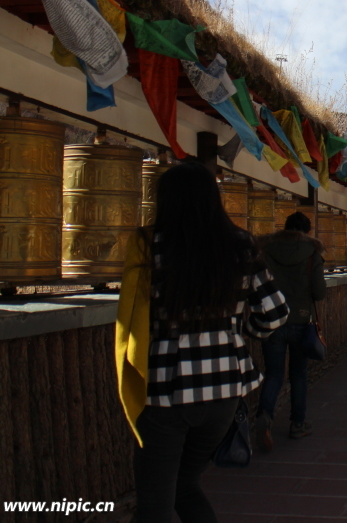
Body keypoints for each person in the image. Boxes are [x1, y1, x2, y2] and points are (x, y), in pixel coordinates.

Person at [116, 162, 289, 523]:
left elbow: (132, 313)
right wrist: (240, 335)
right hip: (225, 386)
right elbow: (274, 312)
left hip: (164, 388)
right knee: (185, 486)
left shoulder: (148, 245)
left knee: (155, 503)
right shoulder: (241, 243)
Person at [255, 211, 327, 450]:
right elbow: (319, 292)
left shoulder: (266, 251)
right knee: (298, 374)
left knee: (274, 373)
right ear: (307, 232)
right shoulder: (312, 254)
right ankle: (297, 423)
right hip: (300, 320)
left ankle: (264, 417)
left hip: (272, 320)